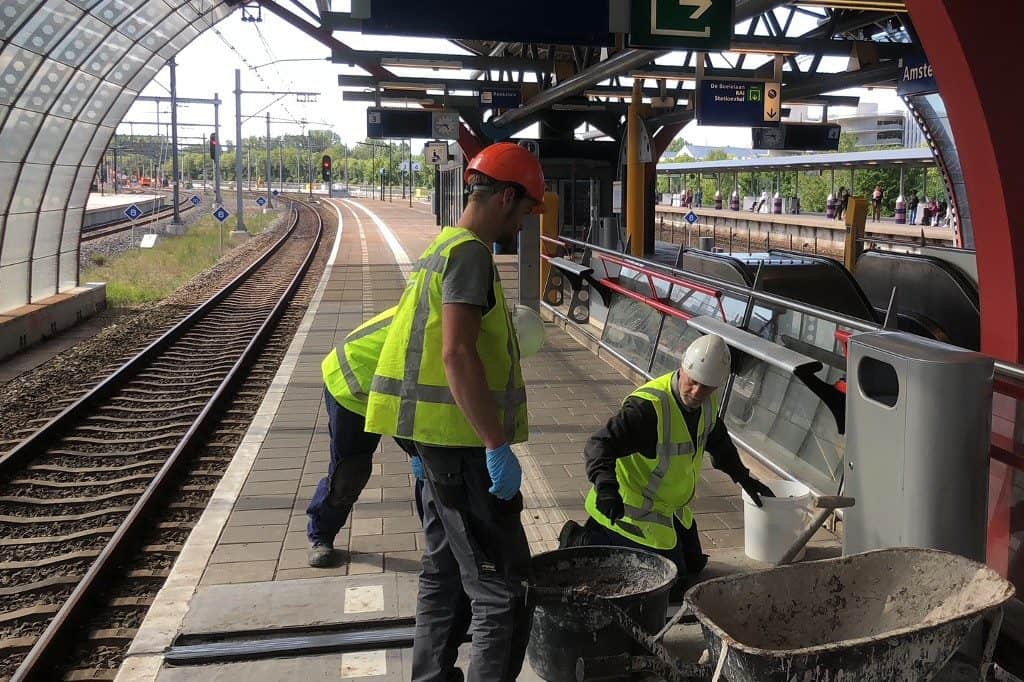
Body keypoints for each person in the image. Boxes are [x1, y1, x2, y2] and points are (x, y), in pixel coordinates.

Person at [366, 141, 545, 682]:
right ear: (507, 197)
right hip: (465, 452)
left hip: (436, 447)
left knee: (443, 575)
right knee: (503, 593)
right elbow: (455, 352)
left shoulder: (440, 248)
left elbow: (408, 349)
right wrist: (495, 444)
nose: (525, 224)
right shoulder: (470, 253)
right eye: (527, 210)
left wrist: (415, 446)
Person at [558, 334, 774, 594]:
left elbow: (719, 442)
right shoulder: (648, 409)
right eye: (692, 382)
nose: (696, 392)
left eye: (706, 387)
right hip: (628, 509)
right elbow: (599, 445)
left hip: (670, 509)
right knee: (671, 586)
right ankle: (584, 539)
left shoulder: (706, 404)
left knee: (694, 565)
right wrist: (606, 487)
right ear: (682, 368)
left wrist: (744, 477)